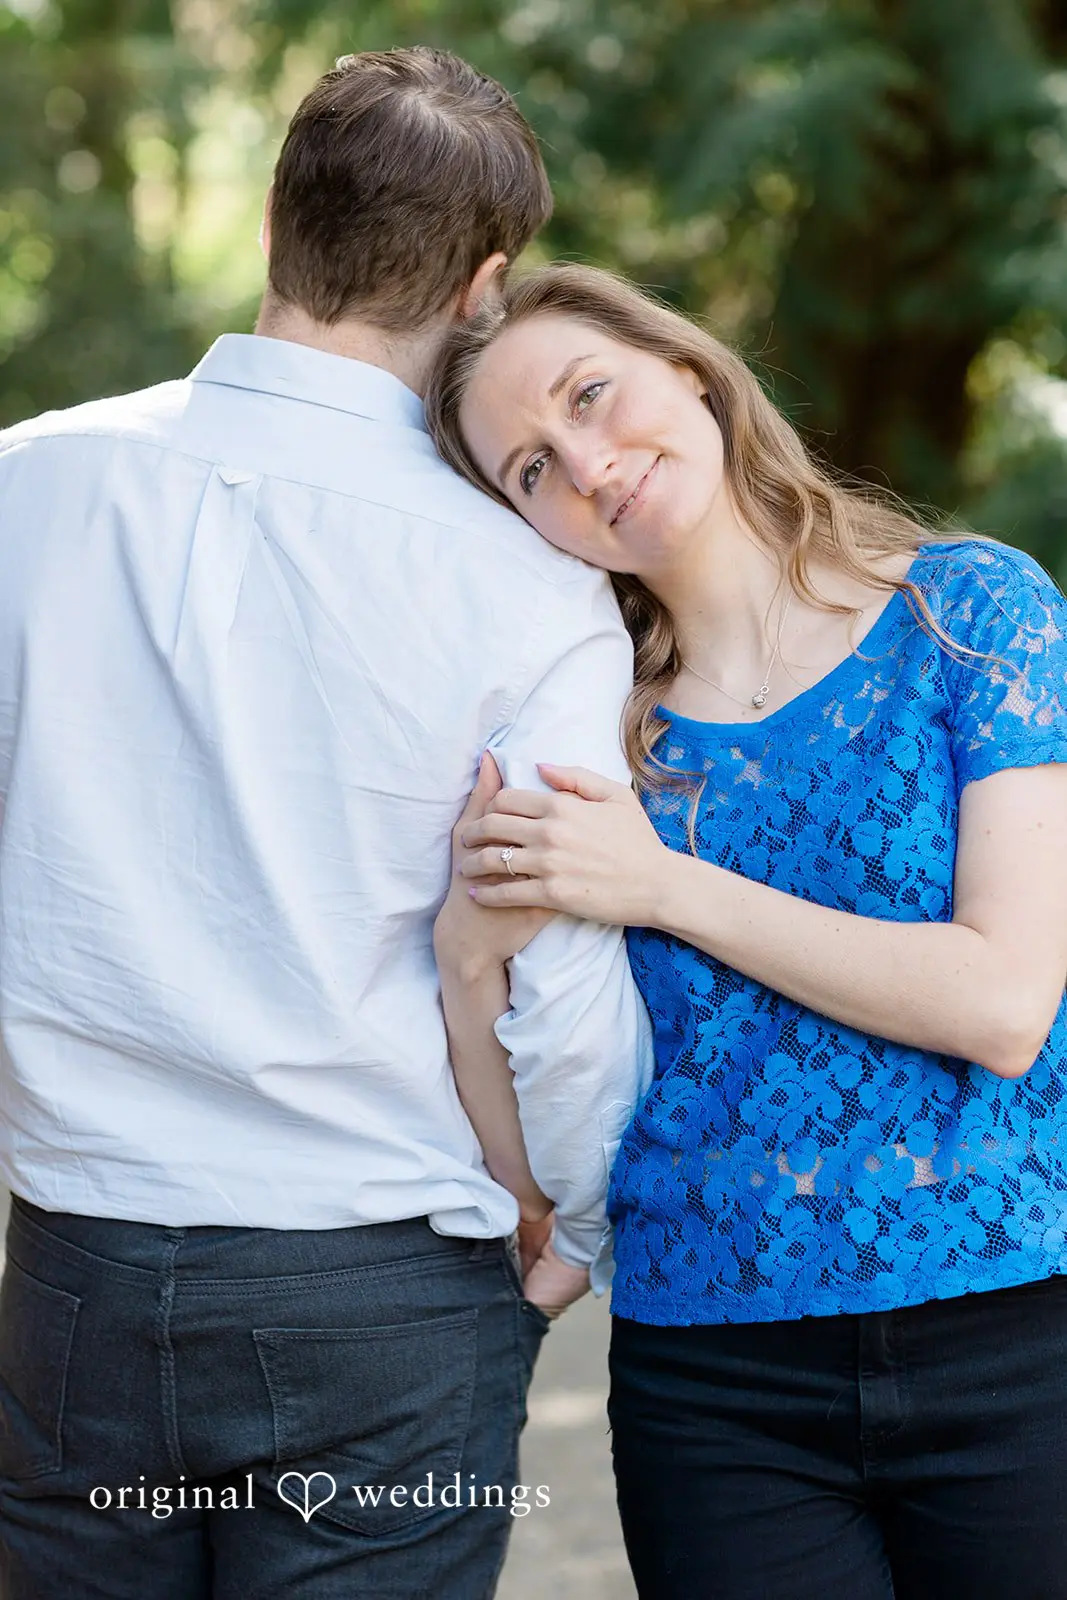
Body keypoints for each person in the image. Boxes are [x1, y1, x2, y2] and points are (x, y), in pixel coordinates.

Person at [0, 61, 650, 1600]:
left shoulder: (30, 486)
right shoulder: (531, 587)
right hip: (380, 1287)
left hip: (80, 1266)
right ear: (485, 288)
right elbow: (549, 961)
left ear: (279, 219)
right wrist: (572, 1220)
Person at [425, 262, 1067, 1600]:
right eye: (529, 470)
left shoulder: (971, 615)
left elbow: (1003, 1003)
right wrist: (464, 958)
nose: (586, 464)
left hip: (1016, 1337)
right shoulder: (578, 735)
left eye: (590, 395)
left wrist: (657, 884)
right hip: (712, 1388)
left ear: (691, 369)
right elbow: (526, 1156)